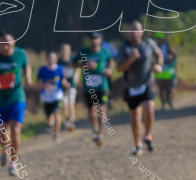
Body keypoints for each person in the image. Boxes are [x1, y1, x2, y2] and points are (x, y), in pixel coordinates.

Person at [0, 31, 31, 176]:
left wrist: (28, 77)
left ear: (14, 42)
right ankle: (5, 149)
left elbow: (26, 66)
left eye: (7, 43)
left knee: (15, 130)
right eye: (2, 44)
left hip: (17, 97)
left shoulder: (21, 54)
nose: (5, 47)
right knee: (3, 134)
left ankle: (13, 162)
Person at [116, 20, 163, 157]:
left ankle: (147, 135)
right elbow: (119, 68)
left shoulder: (149, 44)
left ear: (141, 32)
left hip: (147, 82)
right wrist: (131, 59)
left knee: (149, 109)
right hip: (131, 86)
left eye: (136, 30)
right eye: (131, 30)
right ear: (128, 33)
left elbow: (158, 53)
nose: (134, 33)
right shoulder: (124, 48)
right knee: (135, 117)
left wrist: (159, 64)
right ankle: (137, 144)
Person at [73, 32, 114, 145]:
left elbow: (111, 61)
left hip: (102, 86)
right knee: (91, 112)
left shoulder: (105, 51)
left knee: (102, 109)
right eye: (91, 38)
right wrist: (84, 65)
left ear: (100, 40)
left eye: (96, 38)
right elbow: (73, 63)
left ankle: (100, 134)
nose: (93, 40)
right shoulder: (84, 52)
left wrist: (110, 69)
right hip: (88, 87)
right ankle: (95, 127)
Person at [37, 51, 67, 141]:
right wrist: (44, 85)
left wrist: (65, 83)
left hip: (57, 95)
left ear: (56, 59)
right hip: (46, 96)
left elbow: (63, 80)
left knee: (57, 113)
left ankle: (56, 133)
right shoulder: (42, 69)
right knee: (48, 117)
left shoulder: (60, 69)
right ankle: (50, 124)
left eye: (53, 58)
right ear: (46, 59)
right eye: (49, 57)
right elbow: (38, 82)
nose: (51, 60)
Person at [58, 44, 77, 131]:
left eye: (66, 50)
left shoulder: (73, 60)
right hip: (62, 86)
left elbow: (79, 67)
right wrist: (61, 80)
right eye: (63, 50)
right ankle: (67, 119)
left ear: (69, 51)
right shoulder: (59, 62)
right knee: (64, 104)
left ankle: (71, 121)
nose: (65, 52)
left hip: (72, 85)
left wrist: (76, 75)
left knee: (70, 103)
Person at [154, 45, 178, 110]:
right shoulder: (155, 49)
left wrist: (171, 61)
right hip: (160, 73)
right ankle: (163, 104)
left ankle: (170, 100)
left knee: (168, 88)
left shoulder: (168, 50)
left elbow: (175, 58)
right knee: (161, 89)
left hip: (168, 73)